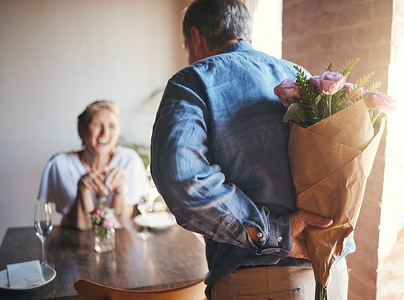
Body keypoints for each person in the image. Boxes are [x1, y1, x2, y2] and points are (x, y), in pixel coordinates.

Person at [150, 0, 351, 299]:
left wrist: (274, 232)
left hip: (263, 285)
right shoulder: (302, 79)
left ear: (195, 38)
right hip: (334, 272)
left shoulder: (194, 80)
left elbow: (183, 179)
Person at [38, 100, 150, 230]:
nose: (105, 133)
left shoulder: (129, 160)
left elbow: (120, 222)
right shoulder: (61, 165)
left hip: (118, 241)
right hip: (72, 241)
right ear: (81, 130)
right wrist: (83, 188)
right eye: (97, 125)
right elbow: (82, 225)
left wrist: (120, 190)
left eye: (112, 126)